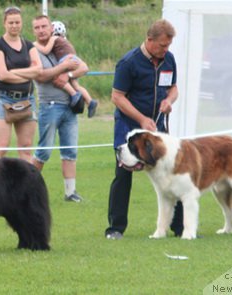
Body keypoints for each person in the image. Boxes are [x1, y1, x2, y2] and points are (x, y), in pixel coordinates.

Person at [105, 19, 183, 240]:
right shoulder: (128, 63)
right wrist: (140, 119)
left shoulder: (169, 59)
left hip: (157, 129)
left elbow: (173, 88)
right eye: (162, 45)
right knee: (123, 175)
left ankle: (179, 228)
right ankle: (116, 228)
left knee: (172, 173)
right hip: (129, 127)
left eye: (168, 45)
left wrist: (169, 100)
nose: (165, 50)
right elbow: (116, 97)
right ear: (149, 40)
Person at [31, 15, 84, 203]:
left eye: (44, 26)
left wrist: (68, 72)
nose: (41, 30)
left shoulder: (60, 46)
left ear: (51, 28)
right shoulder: (33, 51)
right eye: (37, 27)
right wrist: (63, 68)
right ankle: (25, 188)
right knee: (43, 151)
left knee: (70, 150)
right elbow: (41, 76)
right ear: (33, 31)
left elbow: (83, 67)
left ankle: (70, 193)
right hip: (50, 106)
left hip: (69, 106)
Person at [0, 6, 42, 161]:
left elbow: (38, 70)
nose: (14, 26)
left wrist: (14, 72)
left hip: (27, 99)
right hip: (2, 99)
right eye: (11, 22)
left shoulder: (29, 45)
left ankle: (28, 185)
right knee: (2, 146)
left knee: (26, 148)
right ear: (4, 23)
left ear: (21, 23)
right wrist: (27, 74)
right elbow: (2, 75)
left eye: (17, 22)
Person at [35, 20, 99, 118]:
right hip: (73, 58)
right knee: (75, 84)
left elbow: (46, 50)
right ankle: (90, 101)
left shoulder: (54, 38)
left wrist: (35, 44)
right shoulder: (64, 40)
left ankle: (74, 95)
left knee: (57, 78)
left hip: (65, 59)